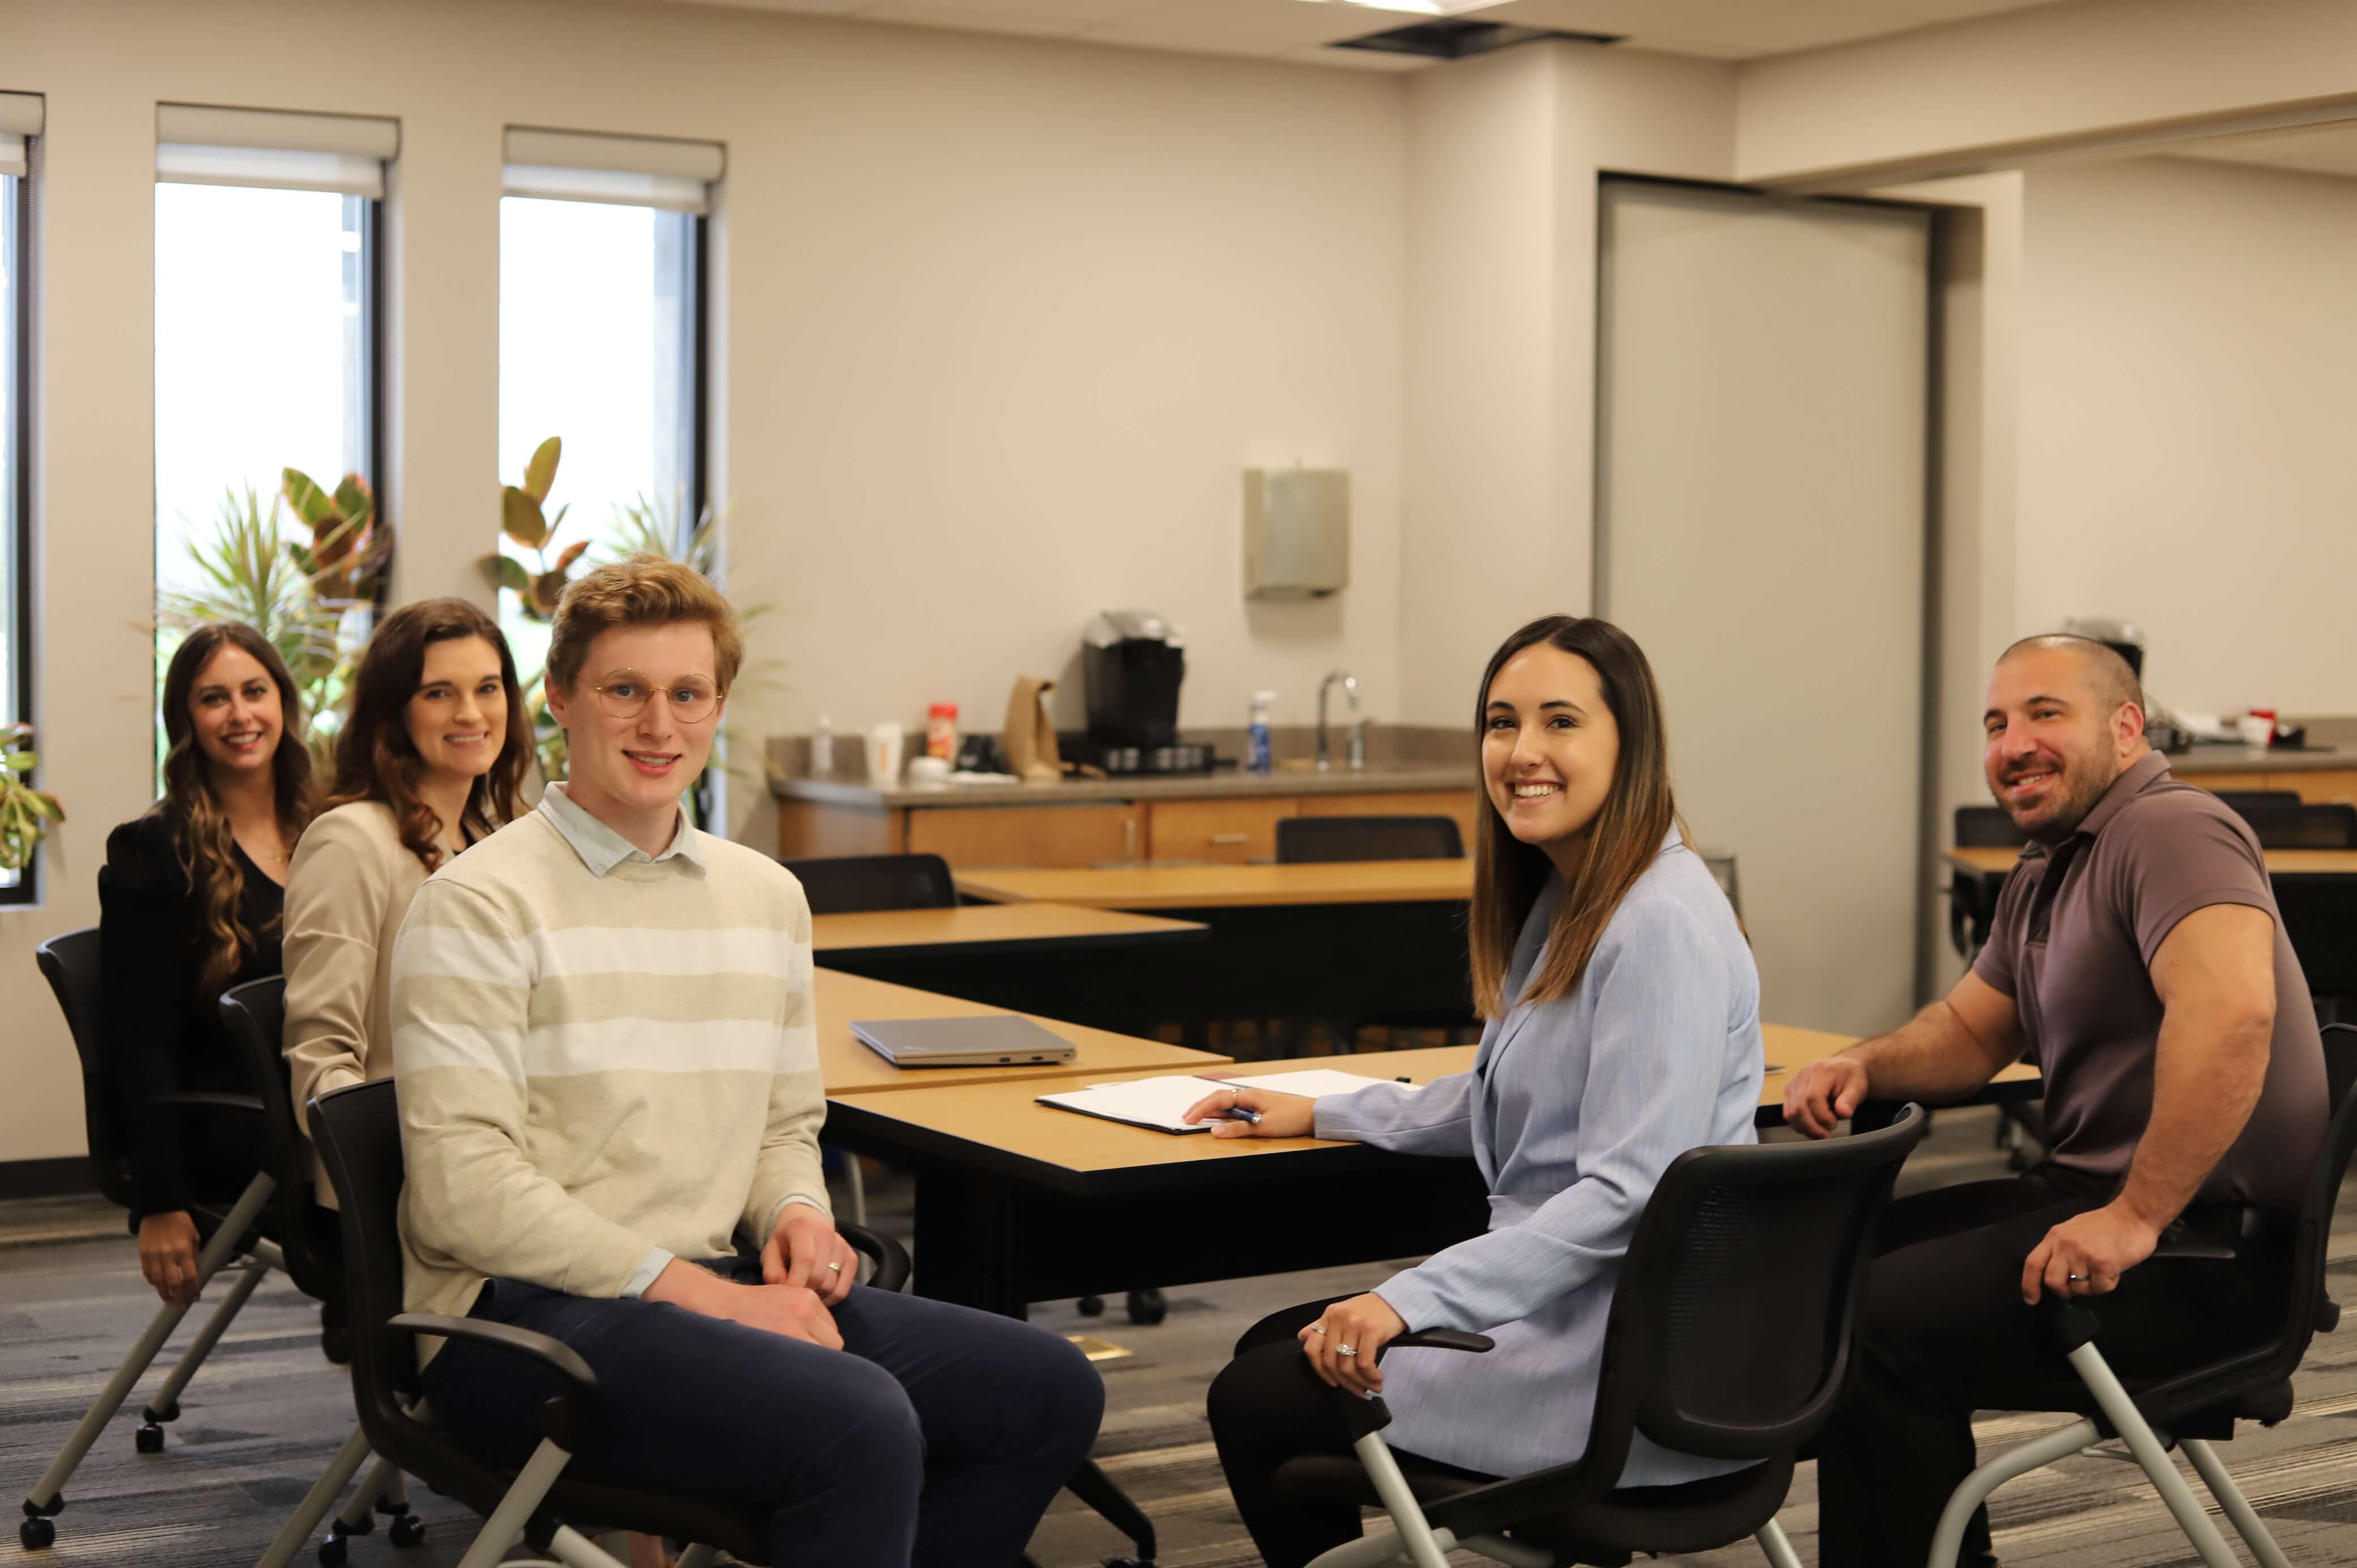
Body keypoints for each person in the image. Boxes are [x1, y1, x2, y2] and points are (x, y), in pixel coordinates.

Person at [390, 557, 1101, 1568]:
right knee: (858, 1419)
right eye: (624, 690)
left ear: (719, 705)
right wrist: (709, 1293)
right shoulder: (478, 903)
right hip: (525, 1324)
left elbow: (780, 1127)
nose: (658, 725)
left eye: (687, 694)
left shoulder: (765, 894)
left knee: (1047, 1387)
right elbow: (465, 1194)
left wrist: (798, 1213)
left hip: (710, 1287)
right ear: (558, 699)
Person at [1195, 613, 1765, 1568]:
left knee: (1256, 1395)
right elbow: (1518, 1094)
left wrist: (1410, 1298)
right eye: (1503, 723)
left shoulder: (1657, 922)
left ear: (1631, 744)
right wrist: (1330, 1107)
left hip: (1614, 1360)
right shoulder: (1582, 893)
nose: (1522, 751)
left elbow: (1630, 1192)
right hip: (1590, 1315)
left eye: (1560, 722)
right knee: (1272, 1347)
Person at [1789, 633, 2326, 1568]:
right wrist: (1866, 1065)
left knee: (1869, 1327)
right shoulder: (2046, 867)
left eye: (2045, 712)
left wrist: (2137, 1213)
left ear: (2126, 727)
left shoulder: (2171, 828)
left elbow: (2236, 1012)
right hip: (2097, 1204)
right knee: (1832, 1276)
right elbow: (1969, 1031)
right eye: (1996, 722)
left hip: (2202, 1253)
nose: (2011, 743)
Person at [283, 598, 531, 1203]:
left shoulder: (498, 832)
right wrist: (382, 1176)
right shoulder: (351, 840)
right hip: (407, 1173)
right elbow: (322, 1056)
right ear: (394, 713)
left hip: (509, 1145)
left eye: (488, 688)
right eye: (439, 693)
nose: (471, 713)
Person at [103, 622, 314, 1306]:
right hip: (233, 1121)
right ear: (186, 720)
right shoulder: (154, 848)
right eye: (214, 698)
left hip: (317, 1098)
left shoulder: (328, 824)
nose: (241, 714)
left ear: (282, 700)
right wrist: (159, 1201)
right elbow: (140, 1038)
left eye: (255, 690)